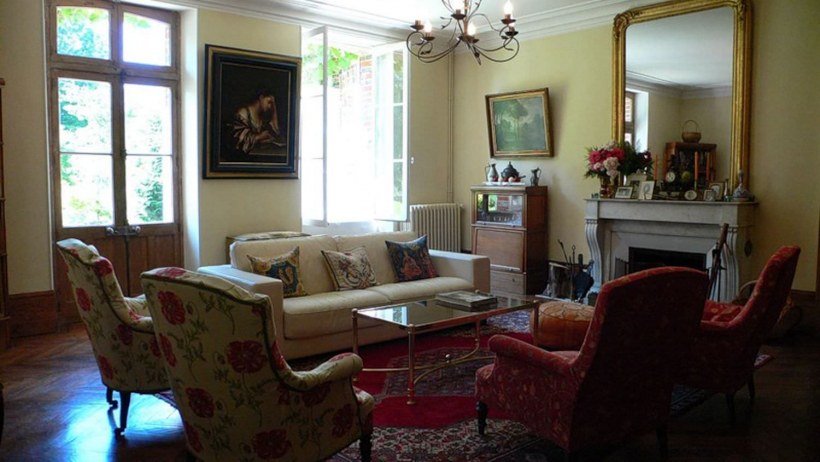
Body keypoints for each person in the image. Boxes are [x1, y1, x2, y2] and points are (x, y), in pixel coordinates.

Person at [230, 89, 285, 154]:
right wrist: (259, 137)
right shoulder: (243, 113)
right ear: (261, 98)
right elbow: (238, 140)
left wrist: (274, 111)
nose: (270, 106)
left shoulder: (263, 116)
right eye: (269, 102)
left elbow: (276, 131)